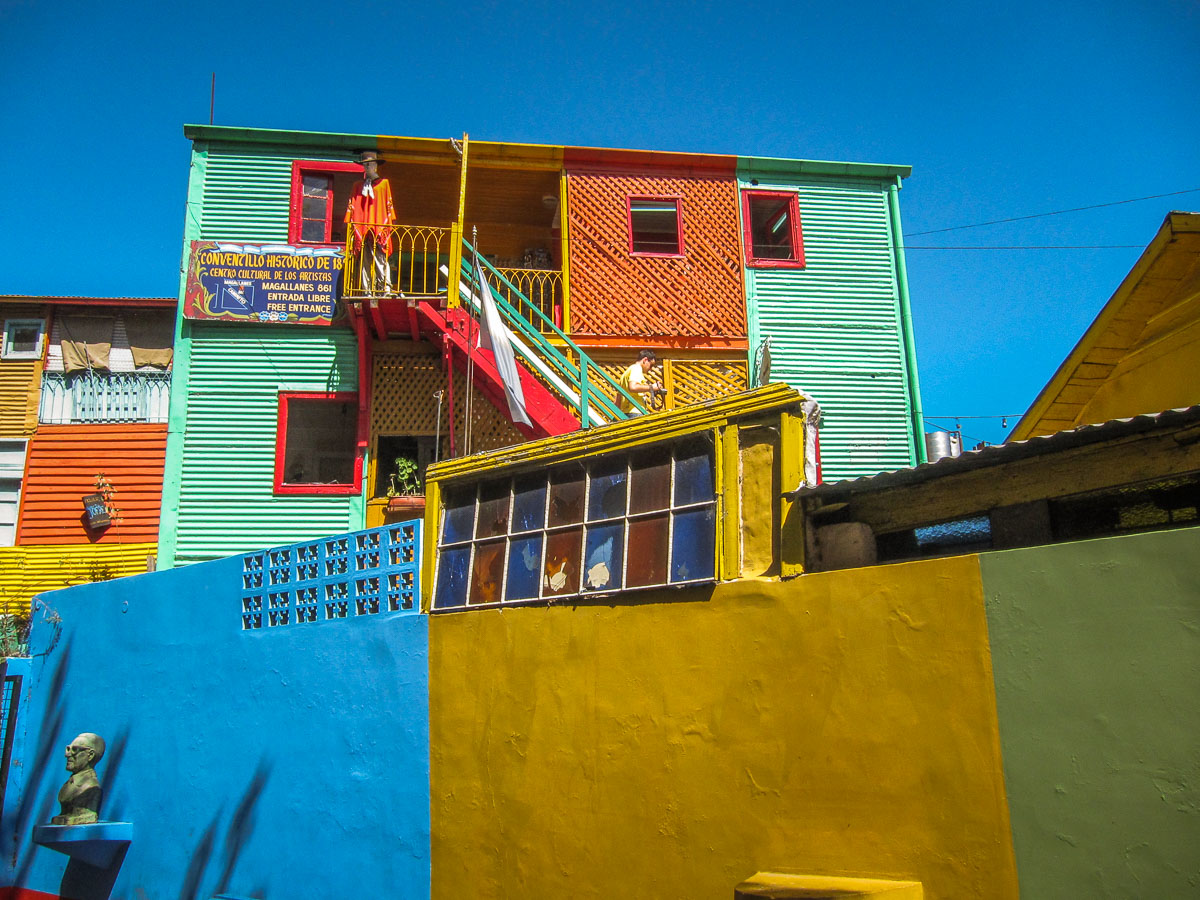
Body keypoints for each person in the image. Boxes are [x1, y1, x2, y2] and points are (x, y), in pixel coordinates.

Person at [344, 151, 396, 296]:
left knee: (380, 259)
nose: (367, 167)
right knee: (364, 261)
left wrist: (384, 227)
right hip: (363, 228)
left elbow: (387, 207)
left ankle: (385, 288)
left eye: (370, 164)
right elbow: (353, 205)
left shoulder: (383, 184)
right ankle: (366, 289)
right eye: (365, 164)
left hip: (378, 228)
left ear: (375, 166)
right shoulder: (358, 186)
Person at [51, 733, 105, 825]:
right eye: (68, 749)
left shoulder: (91, 787)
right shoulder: (69, 783)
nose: (67, 755)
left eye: (74, 750)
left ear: (90, 755)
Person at [617, 349, 662, 416]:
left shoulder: (626, 373)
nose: (650, 369)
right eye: (651, 365)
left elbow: (618, 396)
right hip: (635, 411)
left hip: (626, 412)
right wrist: (652, 387)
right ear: (645, 360)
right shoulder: (637, 368)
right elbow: (633, 387)